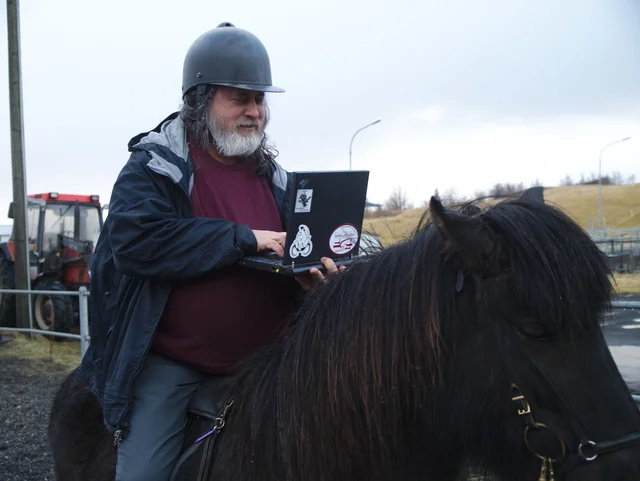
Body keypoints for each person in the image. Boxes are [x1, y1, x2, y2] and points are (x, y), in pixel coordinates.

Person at [76, 22, 343, 481]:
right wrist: (241, 238)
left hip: (269, 363)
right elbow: (135, 243)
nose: (254, 111)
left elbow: (294, 256)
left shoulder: (279, 182)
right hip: (174, 365)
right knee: (142, 475)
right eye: (239, 98)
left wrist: (311, 277)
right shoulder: (155, 166)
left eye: (260, 100)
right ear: (199, 101)